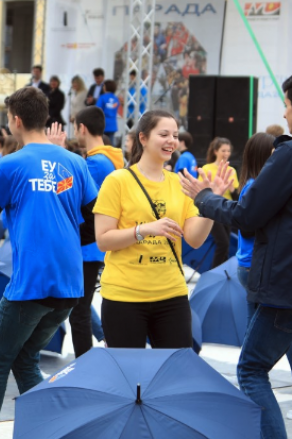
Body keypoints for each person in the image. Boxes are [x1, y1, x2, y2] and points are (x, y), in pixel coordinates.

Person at [179, 69, 292, 439]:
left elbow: (247, 217)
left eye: (288, 106)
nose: (285, 113)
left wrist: (205, 198)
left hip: (289, 285)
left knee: (251, 370)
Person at [0, 87, 98, 439]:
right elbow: (94, 224)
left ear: (15, 120)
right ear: (45, 118)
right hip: (69, 284)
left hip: (31, 283)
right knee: (24, 359)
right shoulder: (75, 162)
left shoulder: (10, 164)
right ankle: (62, 424)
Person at [93, 110, 213, 349]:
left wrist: (211, 204)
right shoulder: (118, 181)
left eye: (175, 135)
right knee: (128, 377)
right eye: (164, 134)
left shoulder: (180, 184)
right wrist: (145, 229)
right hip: (124, 295)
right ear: (143, 138)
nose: (172, 141)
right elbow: (103, 240)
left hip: (171, 294)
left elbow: (195, 239)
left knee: (174, 376)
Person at [71, 106, 124, 357]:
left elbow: (72, 196)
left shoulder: (94, 163)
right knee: (78, 307)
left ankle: (83, 369)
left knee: (78, 312)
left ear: (82, 128)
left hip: (87, 246)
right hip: (93, 246)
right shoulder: (110, 158)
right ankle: (103, 342)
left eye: (75, 127)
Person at [234, 133, 275, 320]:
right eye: (274, 152)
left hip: (250, 265)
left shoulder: (252, 185)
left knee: (255, 328)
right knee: (259, 329)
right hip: (253, 265)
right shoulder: (254, 187)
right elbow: (248, 227)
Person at [201, 137, 238, 268]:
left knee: (226, 245)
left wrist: (231, 187)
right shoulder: (207, 168)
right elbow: (201, 191)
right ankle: (214, 272)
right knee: (223, 243)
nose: (226, 153)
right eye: (223, 150)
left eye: (228, 151)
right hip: (212, 209)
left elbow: (236, 196)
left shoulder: (231, 170)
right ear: (216, 151)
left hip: (227, 209)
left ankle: (222, 274)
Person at [96, 80, 120, 145]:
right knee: (111, 144)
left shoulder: (102, 97)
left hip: (103, 124)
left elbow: (97, 110)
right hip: (113, 124)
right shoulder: (116, 98)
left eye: (104, 86)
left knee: (102, 144)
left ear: (106, 87)